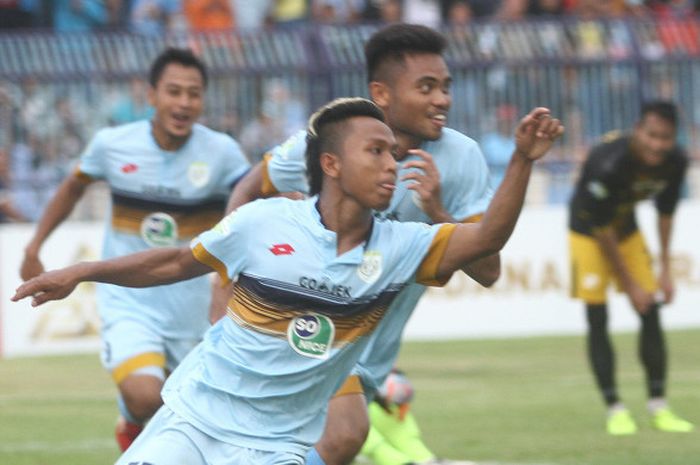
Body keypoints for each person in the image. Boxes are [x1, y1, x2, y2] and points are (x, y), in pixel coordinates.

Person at [13, 97, 564, 465]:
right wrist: (80, 272)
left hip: (276, 447)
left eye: (394, 154)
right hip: (193, 418)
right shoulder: (264, 222)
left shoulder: (403, 246)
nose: (391, 165)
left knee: (347, 435)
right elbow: (175, 262)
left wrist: (521, 160)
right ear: (330, 164)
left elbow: (486, 239)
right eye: (375, 152)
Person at [219, 24, 543, 465]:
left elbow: (488, 271)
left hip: (372, 353)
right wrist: (225, 283)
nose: (442, 100)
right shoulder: (327, 142)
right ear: (382, 93)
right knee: (346, 434)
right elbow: (248, 188)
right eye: (426, 87)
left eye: (446, 87)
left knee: (308, 448)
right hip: (306, 331)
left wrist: (440, 211)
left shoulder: (460, 158)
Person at [18, 48, 250, 451]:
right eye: (173, 91)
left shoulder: (223, 153)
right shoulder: (112, 145)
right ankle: (132, 416)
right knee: (145, 395)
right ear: (151, 95)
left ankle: (135, 429)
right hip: (129, 303)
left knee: (198, 421)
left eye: (193, 94)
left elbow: (252, 199)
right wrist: (35, 244)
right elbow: (73, 186)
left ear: (203, 100)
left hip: (195, 311)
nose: (183, 102)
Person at [568, 100, 694, 436]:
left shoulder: (676, 161)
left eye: (665, 137)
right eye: (651, 135)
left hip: (627, 229)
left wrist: (665, 270)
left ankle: (659, 407)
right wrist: (632, 285)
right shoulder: (608, 161)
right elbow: (603, 229)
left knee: (651, 309)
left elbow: (666, 214)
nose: (657, 144)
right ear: (638, 130)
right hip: (588, 232)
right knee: (598, 317)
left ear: (673, 138)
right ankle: (615, 409)